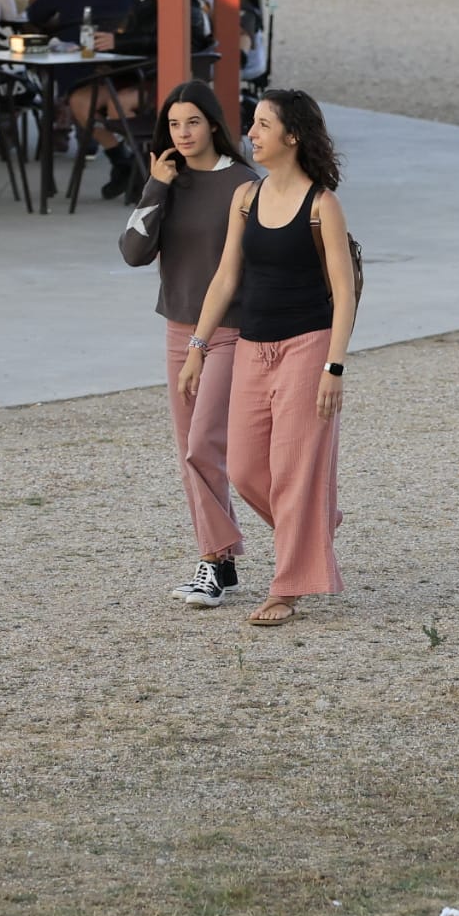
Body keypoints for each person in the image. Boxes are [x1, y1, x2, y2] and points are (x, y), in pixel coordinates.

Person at [179, 90, 355, 624]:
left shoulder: (323, 205)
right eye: (252, 124)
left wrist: (334, 367)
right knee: (247, 468)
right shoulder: (246, 198)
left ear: (292, 136)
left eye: (262, 125)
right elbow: (226, 277)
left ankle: (287, 588)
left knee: (293, 470)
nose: (251, 134)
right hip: (252, 347)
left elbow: (344, 293)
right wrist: (198, 346)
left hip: (308, 346)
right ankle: (314, 523)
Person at [119, 80, 260, 608]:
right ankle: (220, 562)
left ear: (213, 124)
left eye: (193, 122)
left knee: (204, 445)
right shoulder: (167, 181)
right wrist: (155, 187)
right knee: (190, 452)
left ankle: (213, 561)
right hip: (178, 330)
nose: (183, 133)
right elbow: (133, 252)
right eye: (174, 124)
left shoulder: (244, 183)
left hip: (229, 331)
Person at [67, 0, 213, 201]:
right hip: (132, 75)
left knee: (118, 105)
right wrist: (109, 48)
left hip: (162, 81)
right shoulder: (145, 0)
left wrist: (118, 43)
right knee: (79, 101)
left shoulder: (189, 8)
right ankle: (121, 161)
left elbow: (168, 43)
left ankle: (141, 169)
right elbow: (131, 36)